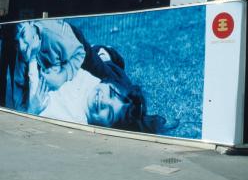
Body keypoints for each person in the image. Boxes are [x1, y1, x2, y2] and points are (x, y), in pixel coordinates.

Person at [27, 40, 175, 134]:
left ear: (107, 127)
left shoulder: (76, 120)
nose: (104, 102)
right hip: (106, 71)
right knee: (111, 67)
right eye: (110, 95)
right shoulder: (94, 78)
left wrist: (31, 112)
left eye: (109, 113)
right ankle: (107, 54)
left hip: (25, 74)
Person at [13, 19, 86, 111]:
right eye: (16, 42)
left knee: (102, 72)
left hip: (72, 43)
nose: (21, 46)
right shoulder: (23, 51)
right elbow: (18, 102)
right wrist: (31, 110)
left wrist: (62, 76)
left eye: (23, 34)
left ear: (31, 23)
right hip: (55, 60)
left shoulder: (55, 36)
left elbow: (80, 53)